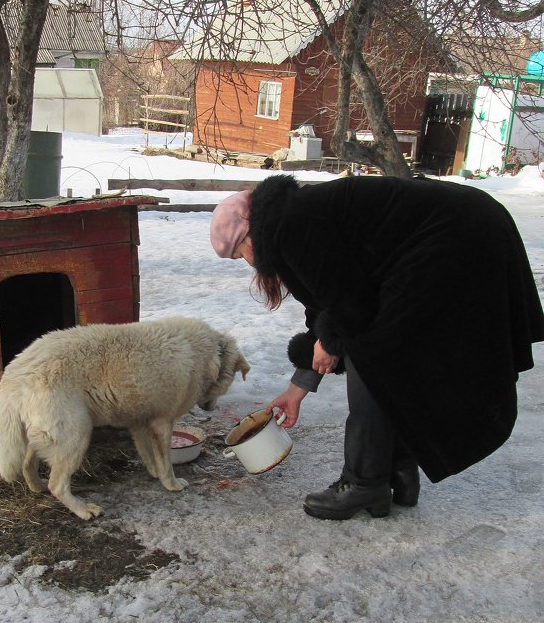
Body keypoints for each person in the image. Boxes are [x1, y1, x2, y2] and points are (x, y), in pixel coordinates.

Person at [209, 174, 544, 520]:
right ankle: (397, 471)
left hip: (458, 237)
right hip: (465, 226)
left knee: (370, 351)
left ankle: (364, 482)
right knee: (383, 351)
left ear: (249, 233)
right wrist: (298, 387)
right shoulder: (288, 218)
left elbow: (350, 307)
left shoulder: (289, 224)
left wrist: (331, 339)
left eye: (239, 254)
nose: (248, 263)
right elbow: (326, 302)